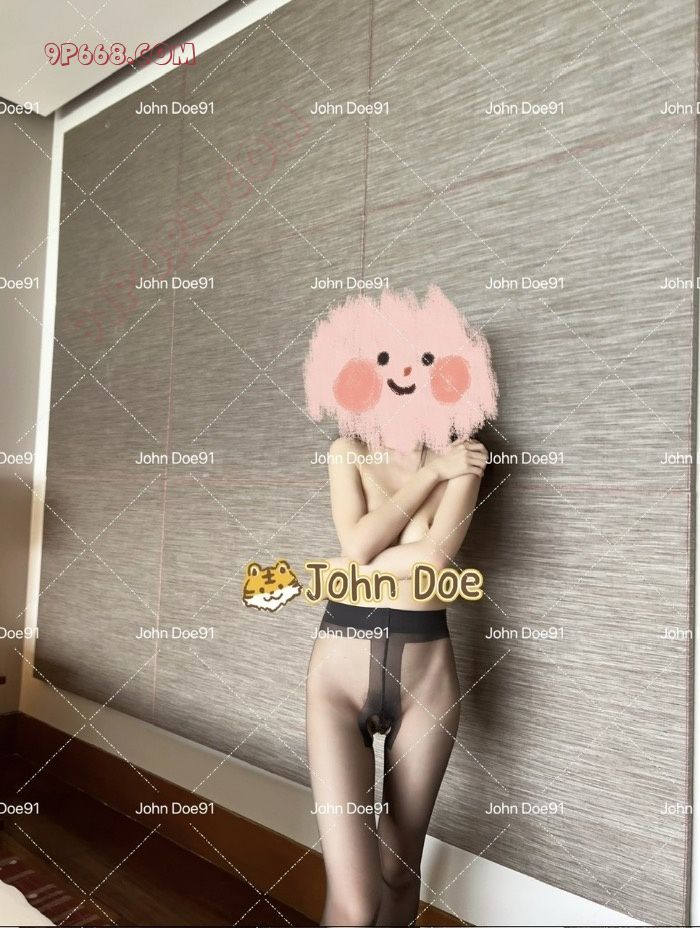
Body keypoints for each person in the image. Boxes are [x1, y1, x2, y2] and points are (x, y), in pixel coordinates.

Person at [306, 433, 488, 927]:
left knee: (399, 873)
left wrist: (356, 566)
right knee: (355, 903)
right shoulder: (347, 450)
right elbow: (356, 545)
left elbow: (432, 561)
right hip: (337, 685)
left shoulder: (467, 452)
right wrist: (433, 474)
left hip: (427, 685)